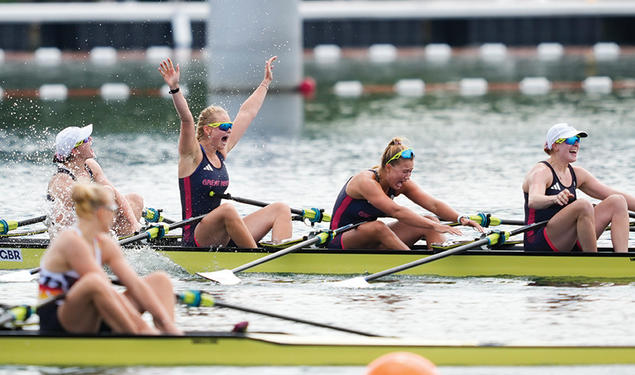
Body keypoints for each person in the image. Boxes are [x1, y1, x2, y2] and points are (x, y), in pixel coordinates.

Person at [158, 57, 292, 248]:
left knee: (281, 209)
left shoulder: (222, 151)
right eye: (224, 126)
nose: (230, 129)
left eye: (230, 126)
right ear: (208, 130)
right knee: (228, 210)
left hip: (220, 233)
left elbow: (247, 113)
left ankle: (282, 253)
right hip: (196, 237)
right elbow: (186, 119)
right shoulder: (192, 155)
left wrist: (265, 82)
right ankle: (257, 259)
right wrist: (174, 88)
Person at [38, 183, 181, 335]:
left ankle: (169, 335)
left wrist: (163, 321)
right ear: (101, 212)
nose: (116, 215)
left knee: (160, 281)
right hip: (60, 319)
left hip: (94, 313)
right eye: (113, 209)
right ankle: (139, 336)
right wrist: (142, 328)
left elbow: (135, 284)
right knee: (94, 281)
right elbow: (102, 287)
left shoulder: (105, 244)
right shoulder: (71, 241)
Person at [328, 137, 483, 250]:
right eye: (405, 171)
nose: (408, 177)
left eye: (410, 171)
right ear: (388, 167)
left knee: (429, 220)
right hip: (340, 240)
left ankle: (440, 256)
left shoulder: (399, 183)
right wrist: (436, 226)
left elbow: (433, 204)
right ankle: (414, 265)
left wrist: (460, 218)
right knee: (378, 227)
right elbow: (397, 211)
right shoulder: (365, 181)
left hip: (371, 240)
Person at [522, 123, 634, 253]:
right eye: (570, 140)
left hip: (570, 239)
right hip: (539, 242)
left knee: (618, 201)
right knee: (583, 205)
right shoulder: (541, 172)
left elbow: (611, 193)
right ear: (555, 145)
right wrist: (554, 198)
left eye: (578, 140)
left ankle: (622, 258)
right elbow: (534, 200)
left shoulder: (577, 173)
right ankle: (593, 262)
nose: (576, 144)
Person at [46, 124, 143, 239]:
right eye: (86, 139)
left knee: (135, 200)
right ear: (75, 151)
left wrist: (134, 224)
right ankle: (108, 245)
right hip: (72, 237)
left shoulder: (90, 165)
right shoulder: (61, 181)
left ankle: (128, 238)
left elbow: (117, 195)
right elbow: (71, 220)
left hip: (94, 224)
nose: (91, 140)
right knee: (106, 193)